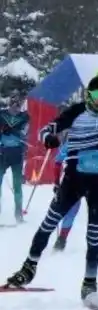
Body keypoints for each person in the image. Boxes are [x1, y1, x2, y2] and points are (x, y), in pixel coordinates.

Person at [4, 73, 98, 304]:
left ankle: (89, 285)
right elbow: (47, 129)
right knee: (48, 224)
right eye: (97, 95)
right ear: (88, 95)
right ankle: (28, 268)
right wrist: (49, 137)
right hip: (73, 180)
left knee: (93, 236)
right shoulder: (77, 111)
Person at [0, 95, 30, 223]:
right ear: (10, 103)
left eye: (18, 104)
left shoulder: (25, 116)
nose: (15, 106)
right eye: (14, 103)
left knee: (17, 186)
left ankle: (18, 215)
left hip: (17, 154)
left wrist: (15, 131)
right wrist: (2, 130)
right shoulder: (1, 114)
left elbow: (25, 133)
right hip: (2, 153)